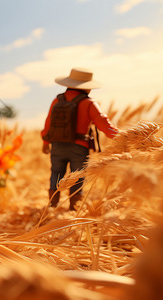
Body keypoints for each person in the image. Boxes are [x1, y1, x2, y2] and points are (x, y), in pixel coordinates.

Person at [41, 67, 118, 210]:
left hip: (57, 145)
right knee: (77, 176)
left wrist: (45, 142)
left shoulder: (57, 100)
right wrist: (120, 136)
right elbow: (103, 123)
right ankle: (73, 208)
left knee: (56, 172)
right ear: (87, 88)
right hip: (79, 146)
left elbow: (48, 123)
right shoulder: (89, 103)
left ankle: (52, 205)